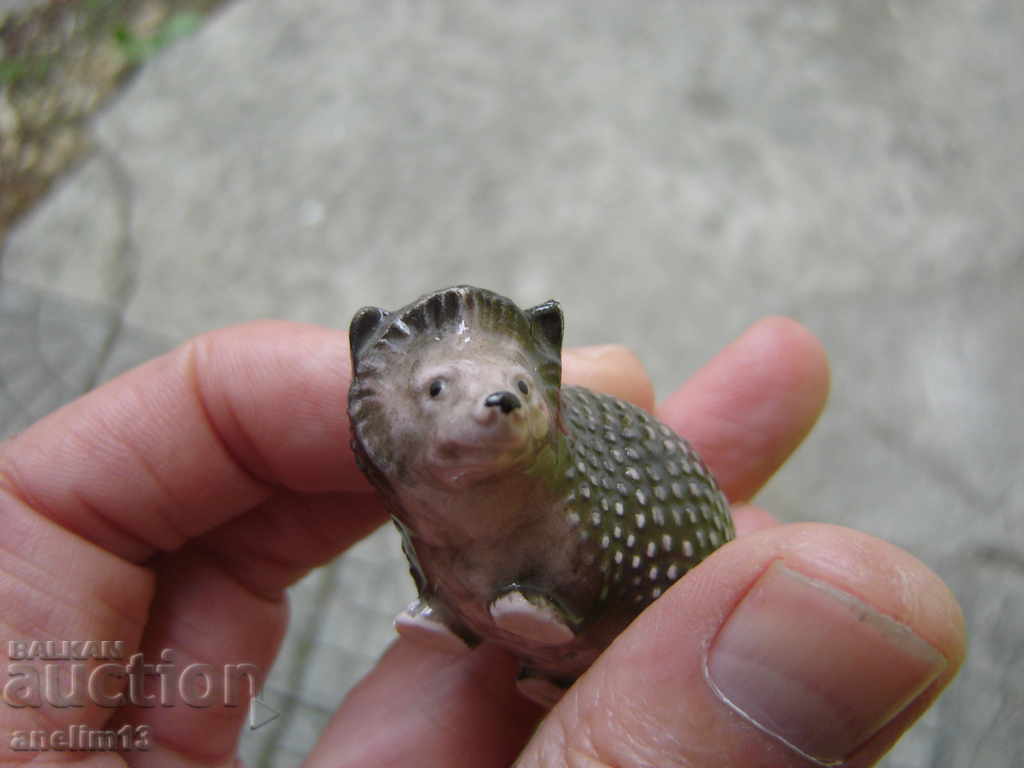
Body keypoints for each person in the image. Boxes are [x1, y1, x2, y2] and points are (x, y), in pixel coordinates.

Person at [0, 317, 964, 767]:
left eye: (510, 386)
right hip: (475, 588)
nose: (491, 404)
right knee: (459, 566)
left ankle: (543, 638)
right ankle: (479, 626)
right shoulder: (419, 486)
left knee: (543, 592)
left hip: (611, 594)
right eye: (443, 391)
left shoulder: (571, 474)